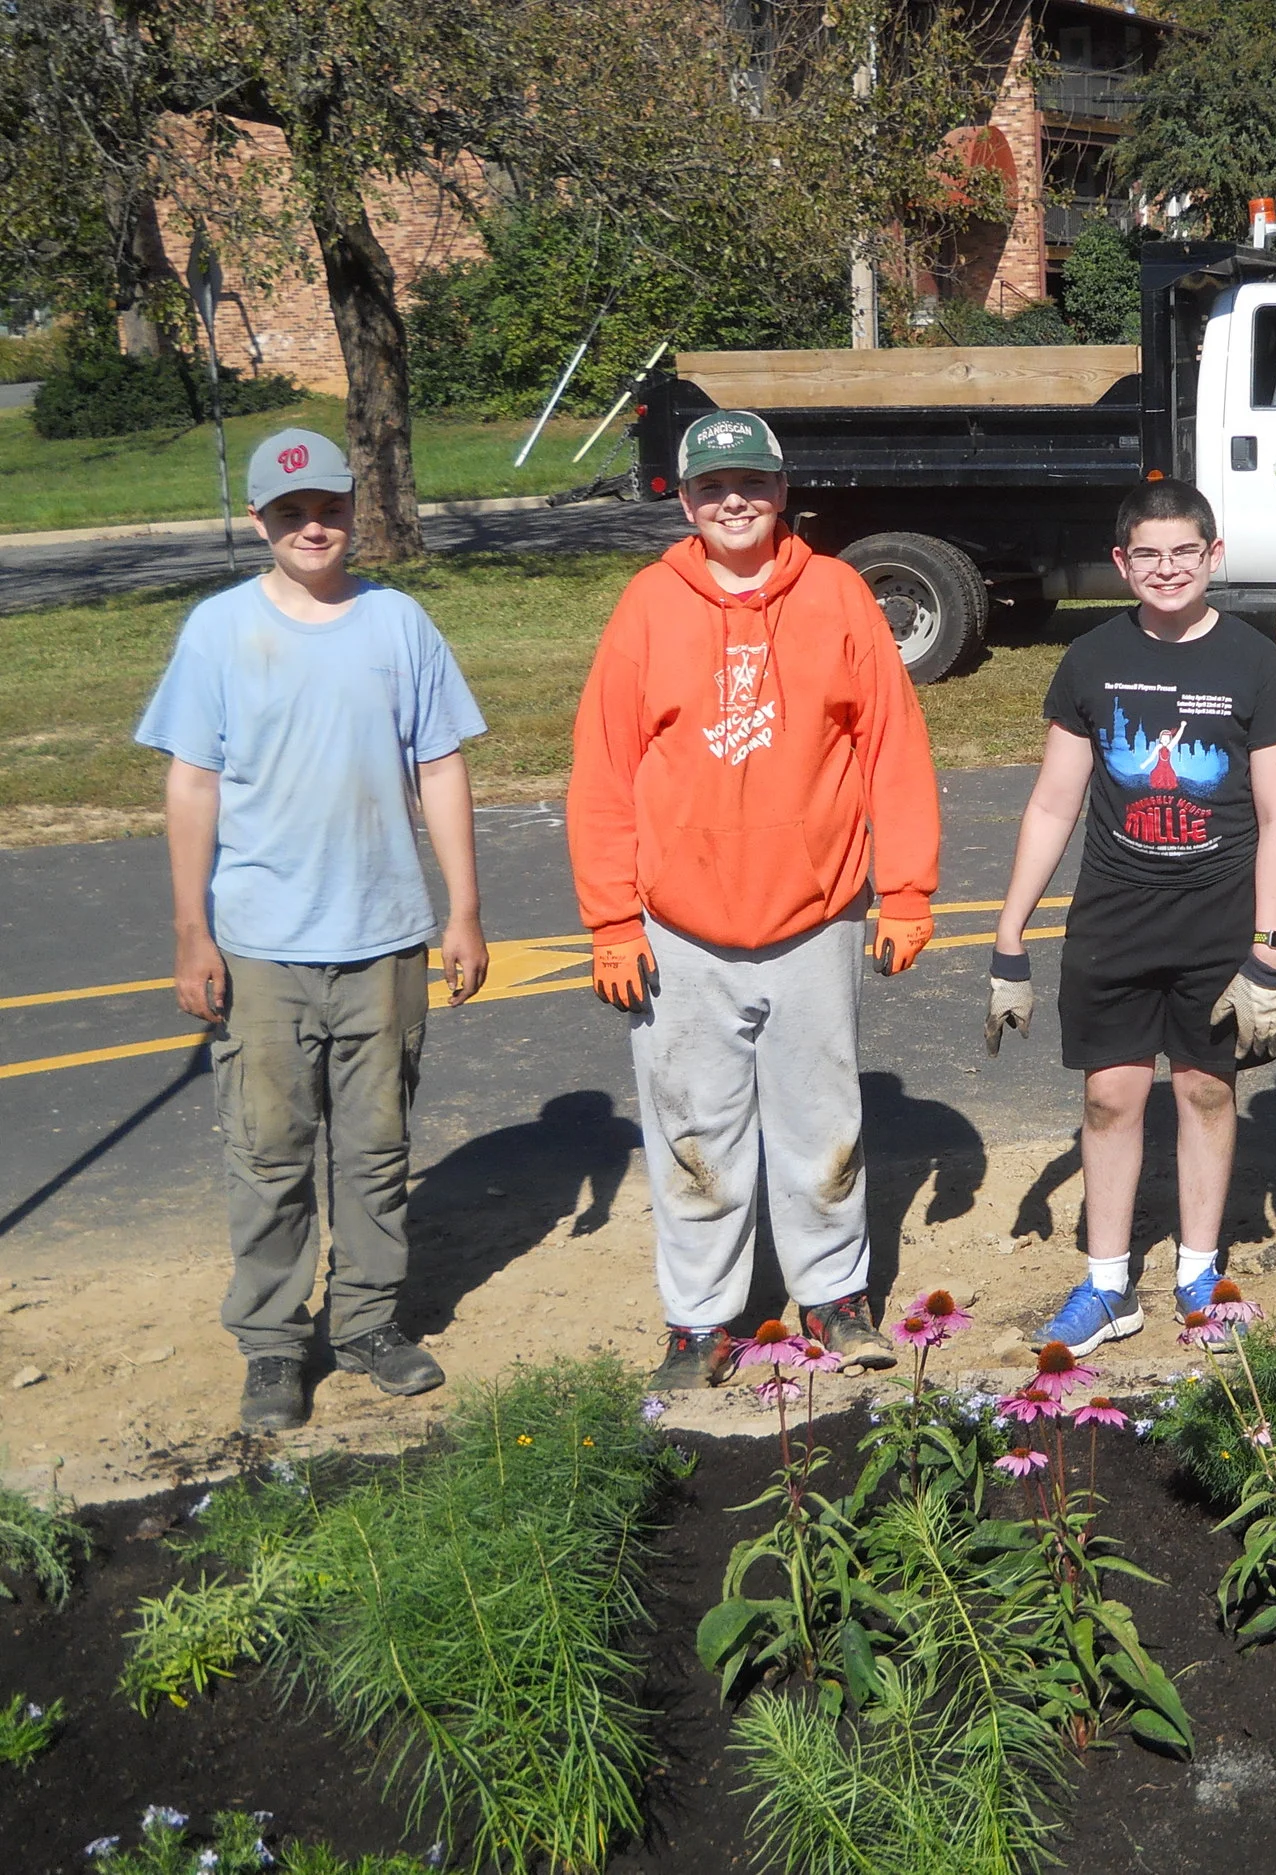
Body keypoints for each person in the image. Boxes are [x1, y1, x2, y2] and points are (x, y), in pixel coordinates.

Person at [567, 410, 941, 1388]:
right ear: (684, 500)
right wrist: (611, 919)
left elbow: (892, 750)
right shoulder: (648, 605)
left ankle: (832, 1297)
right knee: (695, 1134)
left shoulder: (841, 596)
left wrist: (902, 890)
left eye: (754, 483)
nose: (735, 500)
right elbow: (603, 770)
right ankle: (701, 1322)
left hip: (814, 919)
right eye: (713, 486)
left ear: (783, 490)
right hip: (679, 930)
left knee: (825, 1127)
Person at [135, 427, 488, 1431]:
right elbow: (191, 783)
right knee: (270, 1153)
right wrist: (190, 932)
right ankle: (274, 1344)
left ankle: (369, 1321)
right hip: (260, 944)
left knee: (376, 1150)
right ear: (260, 523)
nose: (313, 526)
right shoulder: (218, 630)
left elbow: (441, 766)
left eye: (329, 508)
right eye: (290, 513)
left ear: (352, 512)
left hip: (383, 937)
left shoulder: (398, 623)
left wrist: (461, 910)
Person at [986, 481, 1276, 1354]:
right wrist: (1010, 934)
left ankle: (1200, 1271)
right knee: (1109, 1095)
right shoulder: (1090, 659)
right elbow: (1054, 805)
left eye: (1185, 552)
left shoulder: (1251, 661)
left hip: (1220, 922)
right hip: (1114, 921)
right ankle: (1107, 1284)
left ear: (1214, 555)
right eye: (1149, 555)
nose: (1168, 569)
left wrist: (1271, 947)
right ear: (1123, 563)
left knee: (1205, 1089)